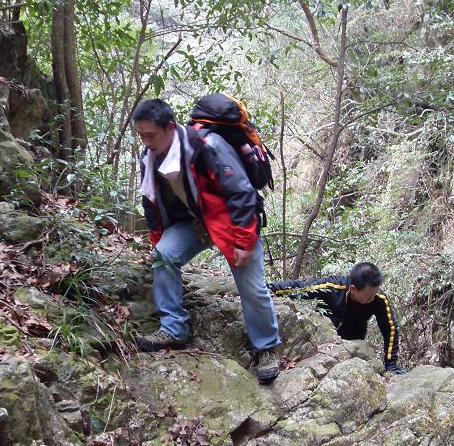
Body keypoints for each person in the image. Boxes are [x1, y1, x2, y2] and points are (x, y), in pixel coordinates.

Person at [133, 98, 282, 384]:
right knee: (164, 255)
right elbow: (150, 202)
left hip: (232, 222)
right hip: (193, 222)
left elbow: (241, 193)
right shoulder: (148, 158)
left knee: (252, 287)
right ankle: (173, 327)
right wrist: (157, 239)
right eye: (141, 135)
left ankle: (266, 347)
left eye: (150, 134)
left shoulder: (208, 146)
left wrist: (243, 242)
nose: (146, 141)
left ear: (170, 128)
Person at [268, 262, 407, 374]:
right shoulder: (334, 286)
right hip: (325, 340)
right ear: (353, 289)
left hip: (356, 344)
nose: (372, 298)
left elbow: (390, 329)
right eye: (368, 295)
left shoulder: (379, 299)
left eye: (375, 293)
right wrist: (271, 288)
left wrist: (391, 364)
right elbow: (303, 288)